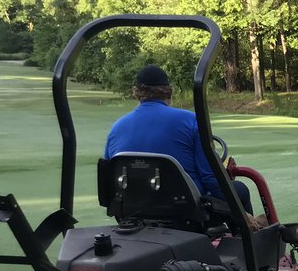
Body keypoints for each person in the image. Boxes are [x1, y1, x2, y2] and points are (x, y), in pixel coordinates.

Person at [105, 65, 263, 227]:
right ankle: (247, 241)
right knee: (239, 190)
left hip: (132, 215)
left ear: (136, 92)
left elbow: (109, 180)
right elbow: (210, 178)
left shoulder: (116, 128)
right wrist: (239, 211)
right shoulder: (191, 120)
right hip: (186, 215)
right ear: (169, 91)